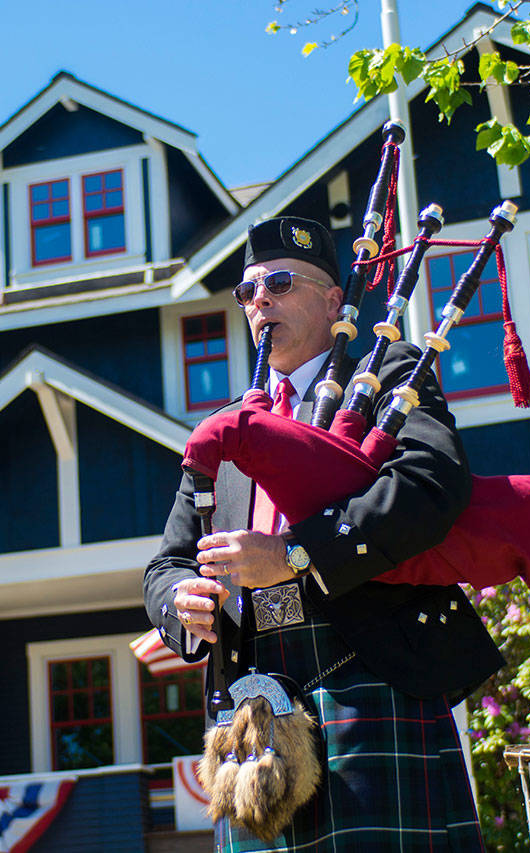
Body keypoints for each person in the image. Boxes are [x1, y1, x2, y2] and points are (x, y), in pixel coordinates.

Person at [144, 216, 504, 851]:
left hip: (365, 678)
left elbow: (429, 486)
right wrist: (181, 602)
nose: (259, 303)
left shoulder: (389, 376)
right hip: (253, 709)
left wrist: (294, 555)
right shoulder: (226, 428)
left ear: (333, 300)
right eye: (247, 293)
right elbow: (167, 564)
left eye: (278, 284)